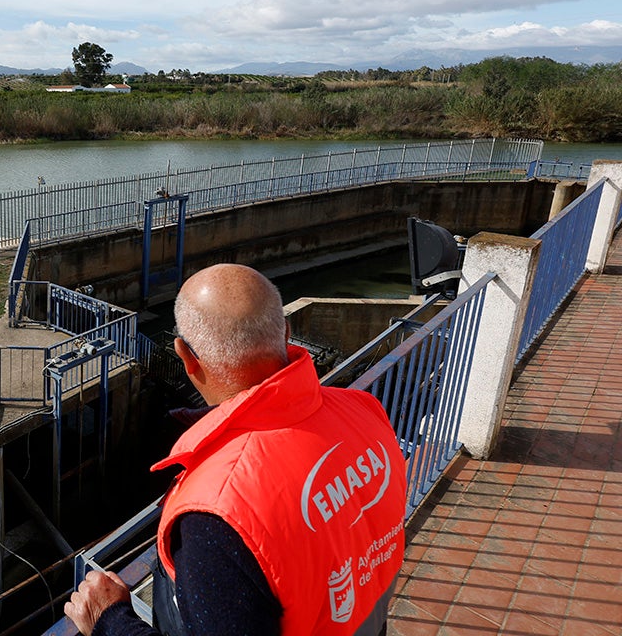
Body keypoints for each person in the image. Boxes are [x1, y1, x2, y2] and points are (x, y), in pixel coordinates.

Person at [65, 264, 407, 636]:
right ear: (286, 333)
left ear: (185, 357)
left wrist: (110, 621)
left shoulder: (217, 512)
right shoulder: (363, 410)